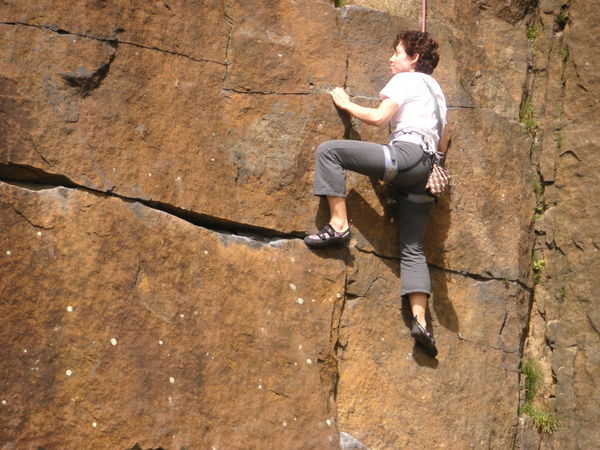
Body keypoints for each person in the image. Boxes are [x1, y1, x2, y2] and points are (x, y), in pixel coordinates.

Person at [304, 31, 448, 357]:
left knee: (330, 152)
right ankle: (421, 322)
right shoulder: (438, 94)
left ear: (413, 59)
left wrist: (345, 103)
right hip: (426, 172)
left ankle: (338, 225)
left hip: (406, 157)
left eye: (397, 53)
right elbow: (443, 142)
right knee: (412, 248)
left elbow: (380, 117)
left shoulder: (407, 79)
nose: (391, 59)